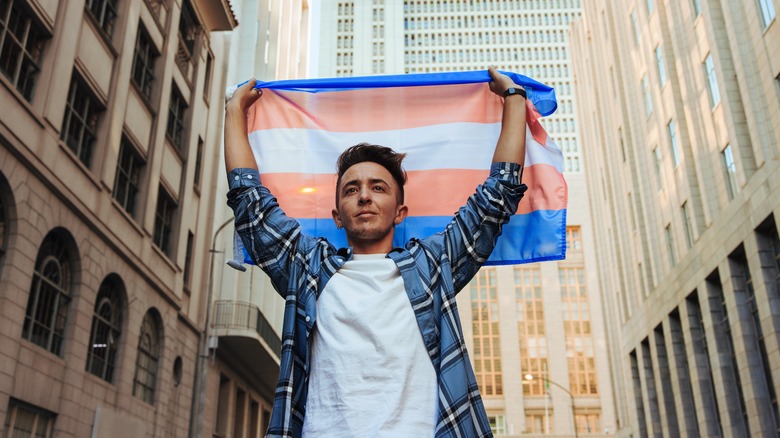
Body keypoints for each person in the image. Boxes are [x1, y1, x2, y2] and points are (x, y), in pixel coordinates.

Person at [224, 66, 528, 438]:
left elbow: (496, 198)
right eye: (351, 189)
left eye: (378, 187)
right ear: (337, 216)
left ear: (401, 212)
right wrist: (234, 112)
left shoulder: (431, 266)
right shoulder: (307, 267)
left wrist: (514, 99)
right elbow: (249, 203)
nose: (364, 195)